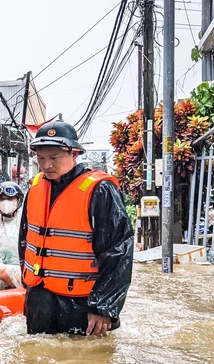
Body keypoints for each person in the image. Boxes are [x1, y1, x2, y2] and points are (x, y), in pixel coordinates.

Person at [18, 120, 133, 336]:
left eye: (54, 158)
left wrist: (103, 307)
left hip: (82, 304)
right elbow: (26, 240)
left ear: (75, 153)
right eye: (41, 158)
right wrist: (28, 288)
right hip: (40, 300)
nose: (46, 165)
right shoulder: (35, 188)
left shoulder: (100, 191)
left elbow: (118, 252)